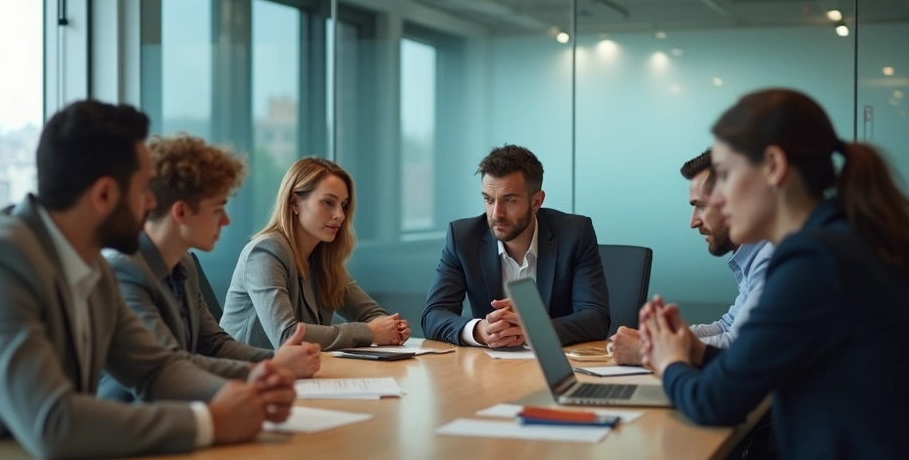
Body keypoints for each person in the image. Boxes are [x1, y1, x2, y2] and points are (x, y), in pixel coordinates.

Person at [638, 89, 909, 460]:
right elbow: (756, 365)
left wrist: (669, 365)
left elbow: (715, 403)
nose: (719, 200)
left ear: (773, 166)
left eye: (725, 176)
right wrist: (692, 351)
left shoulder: (814, 261)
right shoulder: (835, 243)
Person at [0, 101, 296, 460]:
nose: (153, 204)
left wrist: (245, 391)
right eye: (145, 189)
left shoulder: (89, 266)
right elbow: (53, 422)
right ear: (104, 195)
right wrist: (211, 422)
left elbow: (156, 368)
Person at [100, 134, 322, 403]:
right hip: (138, 425)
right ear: (180, 212)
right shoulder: (123, 272)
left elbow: (215, 345)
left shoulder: (184, 265)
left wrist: (279, 359)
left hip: (185, 408)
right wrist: (270, 368)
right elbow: (170, 366)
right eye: (218, 209)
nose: (226, 221)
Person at [421, 145, 610, 347]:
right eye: (488, 200)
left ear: (536, 201)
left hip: (557, 366)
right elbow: (433, 315)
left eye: (509, 200)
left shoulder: (574, 234)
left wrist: (534, 329)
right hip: (490, 367)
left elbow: (596, 317)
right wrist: (480, 330)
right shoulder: (463, 238)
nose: (496, 213)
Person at [221, 156, 409, 351]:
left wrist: (392, 327)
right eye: (328, 202)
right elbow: (286, 336)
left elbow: (370, 312)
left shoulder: (323, 259)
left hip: (301, 373)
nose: (340, 215)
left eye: (343, 205)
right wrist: (369, 332)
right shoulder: (265, 252)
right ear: (294, 203)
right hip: (247, 376)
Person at [613, 149, 772, 365]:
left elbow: (739, 346)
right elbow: (726, 326)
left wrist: (645, 349)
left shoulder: (770, 257)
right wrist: (657, 340)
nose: (693, 221)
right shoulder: (755, 256)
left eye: (701, 206)